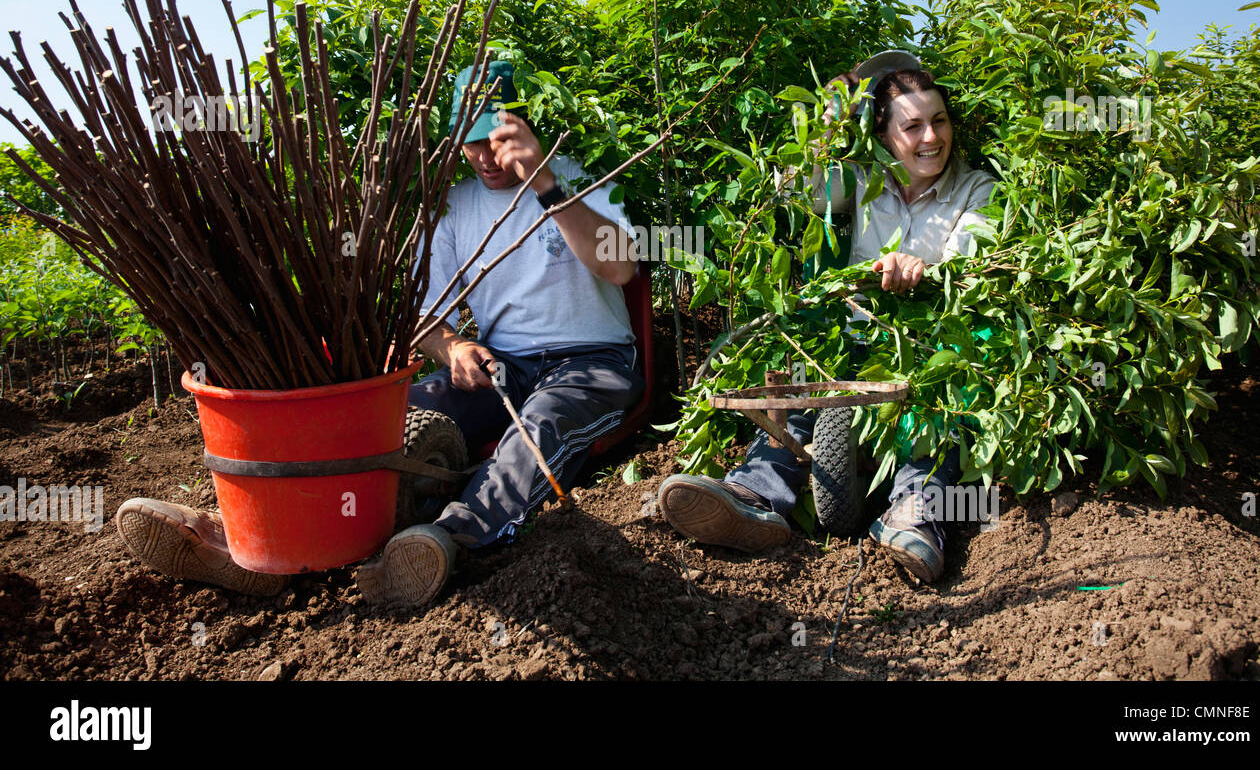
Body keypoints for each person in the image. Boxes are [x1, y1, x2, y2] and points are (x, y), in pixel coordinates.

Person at [114, 59, 643, 606]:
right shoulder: (453, 207)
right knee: (376, 417)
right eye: (471, 141)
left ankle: (446, 541)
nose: (485, 155)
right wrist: (453, 346)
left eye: (498, 138)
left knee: (541, 426)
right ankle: (245, 537)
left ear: (524, 127)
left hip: (592, 362)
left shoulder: (579, 178)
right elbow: (424, 318)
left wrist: (547, 185)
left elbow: (621, 268)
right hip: (501, 365)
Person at [658, 51, 996, 583]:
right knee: (800, 378)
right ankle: (755, 494)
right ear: (883, 136)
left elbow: (971, 257)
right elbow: (793, 197)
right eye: (912, 127)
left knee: (942, 389)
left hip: (930, 338)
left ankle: (918, 513)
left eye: (939, 121)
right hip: (854, 328)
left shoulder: (976, 188)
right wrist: (825, 128)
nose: (931, 137)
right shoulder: (862, 180)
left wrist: (922, 266)